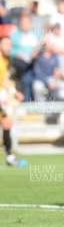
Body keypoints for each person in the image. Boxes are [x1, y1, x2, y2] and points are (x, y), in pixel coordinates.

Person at [0, 37, 27, 167]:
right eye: (5, 44)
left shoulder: (5, 61)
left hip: (2, 97)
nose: (8, 47)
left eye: (10, 45)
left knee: (6, 124)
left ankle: (10, 157)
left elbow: (3, 81)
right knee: (6, 123)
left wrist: (13, 92)